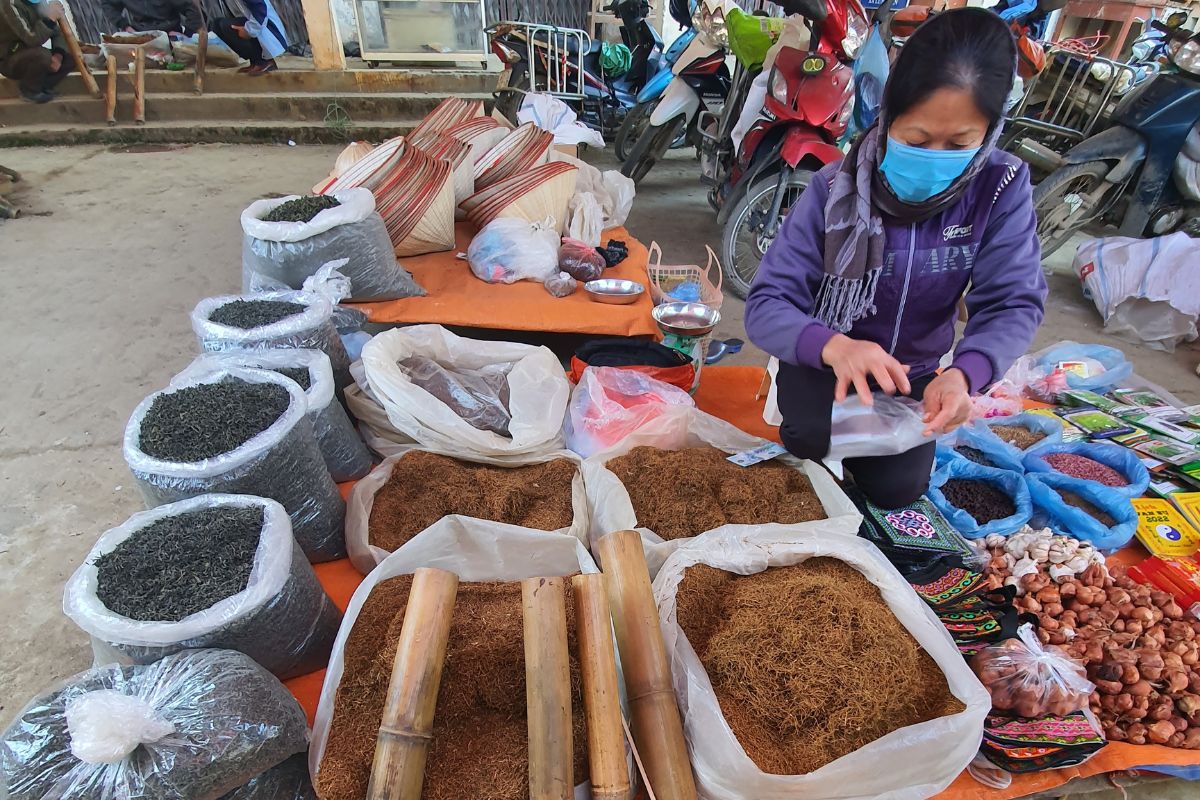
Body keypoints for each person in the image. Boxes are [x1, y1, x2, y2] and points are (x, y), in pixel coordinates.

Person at [744, 8, 1048, 510]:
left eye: (959, 144)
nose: (935, 155)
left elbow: (1013, 302)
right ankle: (809, 416)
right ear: (886, 119)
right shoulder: (830, 189)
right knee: (807, 451)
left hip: (918, 375)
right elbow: (767, 304)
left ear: (989, 133)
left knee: (897, 491)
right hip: (826, 361)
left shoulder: (1000, 189)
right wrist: (835, 346)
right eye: (917, 139)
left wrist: (965, 374)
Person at [0, 0, 73, 103]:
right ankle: (29, 91)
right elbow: (32, 39)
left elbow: (57, 33)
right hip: (10, 58)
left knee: (71, 57)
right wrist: (50, 18)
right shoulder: (9, 4)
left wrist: (58, 56)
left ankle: (42, 86)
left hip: (32, 53)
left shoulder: (37, 3)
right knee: (42, 56)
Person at [211, 0, 286, 76]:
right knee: (217, 24)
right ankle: (255, 61)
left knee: (226, 26)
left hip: (269, 28)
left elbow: (260, 9)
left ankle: (264, 61)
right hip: (256, 24)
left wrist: (248, 30)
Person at [100, 0, 200, 38]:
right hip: (140, 36)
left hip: (168, 35)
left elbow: (192, 9)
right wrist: (124, 25)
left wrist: (187, 34)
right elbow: (108, 4)